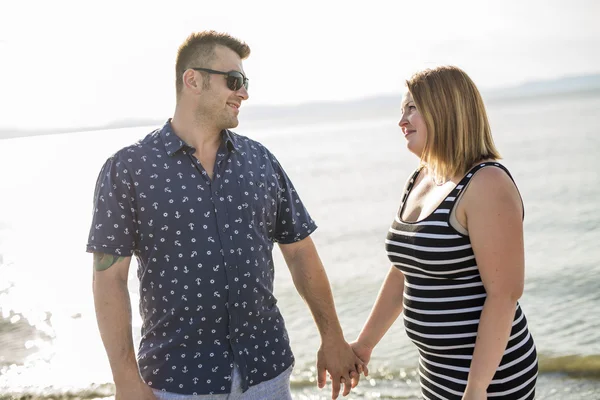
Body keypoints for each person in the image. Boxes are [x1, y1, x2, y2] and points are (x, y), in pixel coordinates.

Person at [87, 30, 364, 400]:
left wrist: (332, 337)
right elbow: (109, 280)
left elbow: (299, 253)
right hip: (176, 383)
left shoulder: (261, 161)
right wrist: (125, 380)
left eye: (245, 82)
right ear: (193, 80)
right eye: (234, 81)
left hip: (267, 373)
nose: (244, 93)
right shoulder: (129, 169)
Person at [350, 66, 538, 400]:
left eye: (412, 108)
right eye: (402, 109)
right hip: (436, 372)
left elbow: (504, 294)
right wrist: (365, 344)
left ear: (445, 110)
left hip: (489, 379)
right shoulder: (422, 177)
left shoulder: (487, 183)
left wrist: (476, 388)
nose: (402, 120)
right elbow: (405, 269)